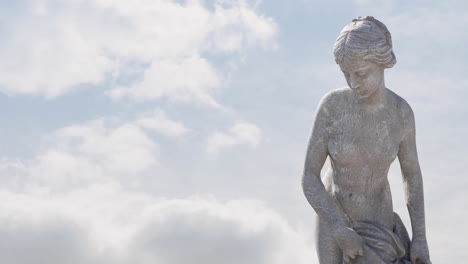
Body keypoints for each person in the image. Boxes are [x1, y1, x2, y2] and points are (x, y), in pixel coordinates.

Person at [302, 16, 431, 264]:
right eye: (346, 74)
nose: (353, 82)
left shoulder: (401, 113)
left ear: (381, 64)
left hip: (377, 222)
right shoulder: (332, 107)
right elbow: (309, 175)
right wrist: (339, 229)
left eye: (361, 73)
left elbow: (411, 176)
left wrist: (420, 238)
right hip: (334, 215)